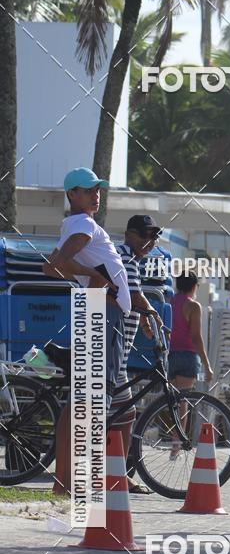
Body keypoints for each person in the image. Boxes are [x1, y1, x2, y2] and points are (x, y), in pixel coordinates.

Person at [44, 167, 131, 495]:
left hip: (97, 308)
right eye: (88, 189)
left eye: (98, 188)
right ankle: (79, 482)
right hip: (103, 312)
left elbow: (49, 265)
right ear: (71, 194)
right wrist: (98, 279)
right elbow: (57, 264)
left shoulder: (75, 224)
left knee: (79, 400)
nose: (96, 193)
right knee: (92, 401)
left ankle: (63, 482)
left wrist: (90, 276)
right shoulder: (83, 224)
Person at [111, 215, 164, 493]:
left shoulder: (132, 260)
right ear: (129, 234)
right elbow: (132, 295)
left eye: (153, 237)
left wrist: (144, 319)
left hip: (116, 354)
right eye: (143, 235)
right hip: (109, 351)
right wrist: (153, 313)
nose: (149, 242)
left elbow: (132, 293)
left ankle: (115, 474)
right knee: (120, 412)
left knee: (122, 413)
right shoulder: (124, 255)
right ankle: (113, 476)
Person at [168, 272, 213, 458]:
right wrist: (206, 363)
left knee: (170, 400)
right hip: (187, 356)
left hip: (169, 355)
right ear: (194, 286)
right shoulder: (193, 306)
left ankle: (169, 434)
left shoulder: (168, 302)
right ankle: (176, 442)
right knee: (182, 401)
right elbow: (196, 337)